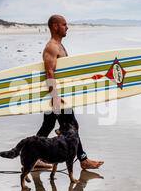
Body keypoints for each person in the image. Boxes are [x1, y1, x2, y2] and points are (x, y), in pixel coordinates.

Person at [35, 15, 103, 170]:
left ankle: (36, 157)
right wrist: (55, 97)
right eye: (64, 24)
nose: (67, 27)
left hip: (57, 95)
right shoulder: (52, 47)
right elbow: (50, 72)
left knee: (48, 125)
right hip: (56, 96)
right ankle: (83, 159)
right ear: (54, 26)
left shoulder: (59, 46)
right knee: (72, 125)